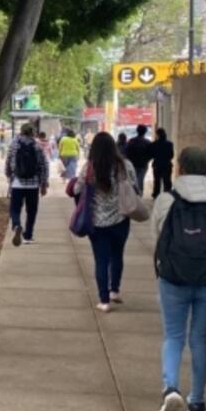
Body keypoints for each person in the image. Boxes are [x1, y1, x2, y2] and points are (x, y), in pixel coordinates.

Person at [152, 147, 206, 411]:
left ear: (180, 167)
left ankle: (171, 388)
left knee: (173, 336)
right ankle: (197, 403)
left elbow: (158, 237)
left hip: (172, 277)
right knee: (199, 339)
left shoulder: (166, 199)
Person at [74, 132, 136, 312]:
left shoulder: (89, 167)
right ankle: (114, 290)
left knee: (101, 260)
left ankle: (104, 300)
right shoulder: (125, 165)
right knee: (117, 255)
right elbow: (135, 188)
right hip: (121, 219)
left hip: (97, 222)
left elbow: (77, 189)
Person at [6, 123, 48, 247]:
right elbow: (43, 165)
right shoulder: (37, 146)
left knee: (14, 209)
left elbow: (8, 163)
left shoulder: (13, 145)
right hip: (33, 185)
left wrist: (9, 177)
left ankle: (17, 225)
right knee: (31, 211)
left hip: (17, 183)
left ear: (21, 131)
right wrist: (44, 183)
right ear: (32, 133)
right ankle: (28, 236)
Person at [125, 124, 152, 195]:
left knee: (133, 179)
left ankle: (133, 194)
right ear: (145, 132)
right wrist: (146, 160)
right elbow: (151, 154)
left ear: (137, 131)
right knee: (140, 179)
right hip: (143, 164)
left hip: (133, 164)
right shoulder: (148, 142)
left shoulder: (131, 141)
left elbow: (127, 152)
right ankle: (139, 194)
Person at [150, 128, 175, 199]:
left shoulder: (154, 144)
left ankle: (156, 195)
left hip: (157, 165)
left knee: (157, 181)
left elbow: (152, 154)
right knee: (167, 181)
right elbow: (171, 155)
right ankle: (168, 195)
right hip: (167, 164)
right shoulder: (169, 144)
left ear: (157, 135)